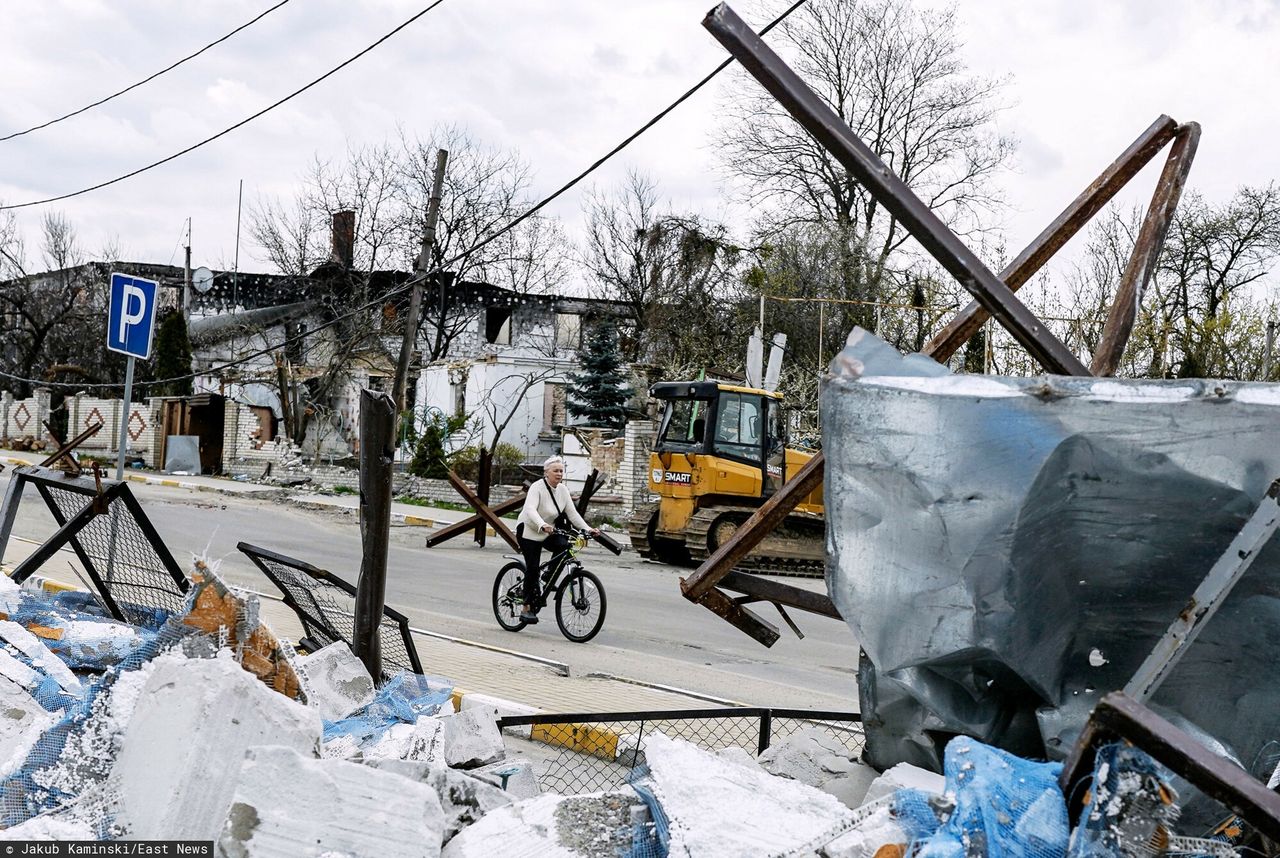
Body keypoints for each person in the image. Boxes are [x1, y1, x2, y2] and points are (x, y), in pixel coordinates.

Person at [515, 455, 599, 623]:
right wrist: (542, 524)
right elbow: (530, 509)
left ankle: (548, 576)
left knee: (564, 547)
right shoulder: (537, 488)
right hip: (529, 531)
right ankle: (526, 607)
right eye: (555, 471)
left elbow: (573, 514)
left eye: (561, 471)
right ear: (546, 472)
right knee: (532, 567)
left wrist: (588, 529)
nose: (559, 474)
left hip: (548, 531)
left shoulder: (562, 490)